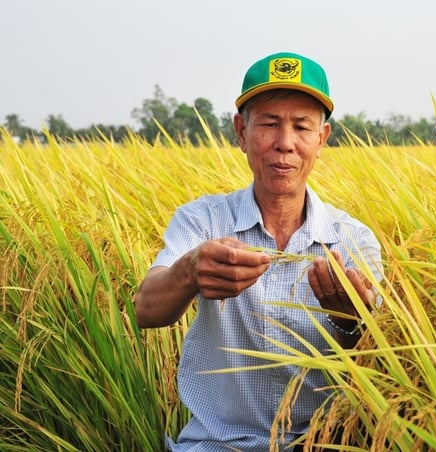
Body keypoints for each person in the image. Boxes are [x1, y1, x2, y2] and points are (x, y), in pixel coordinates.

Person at [134, 51, 382, 451]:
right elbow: (146, 310)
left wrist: (352, 322)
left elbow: (378, 362)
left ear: (322, 140)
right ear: (241, 132)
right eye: (269, 124)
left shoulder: (352, 240)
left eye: (302, 127)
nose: (284, 144)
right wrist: (191, 271)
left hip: (323, 443)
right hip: (216, 445)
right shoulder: (203, 222)